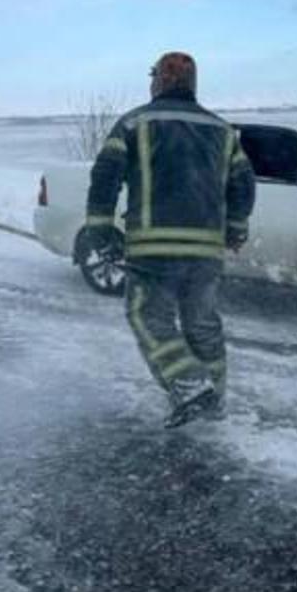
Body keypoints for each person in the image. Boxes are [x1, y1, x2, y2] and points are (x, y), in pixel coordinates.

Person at [83, 52, 255, 428]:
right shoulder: (223, 130)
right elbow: (243, 184)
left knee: (148, 316)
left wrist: (100, 231)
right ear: (192, 84)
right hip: (206, 250)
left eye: (153, 77)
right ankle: (215, 405)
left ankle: (191, 388)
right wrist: (236, 230)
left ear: (158, 81)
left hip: (153, 248)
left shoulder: (134, 124)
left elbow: (104, 176)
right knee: (203, 324)